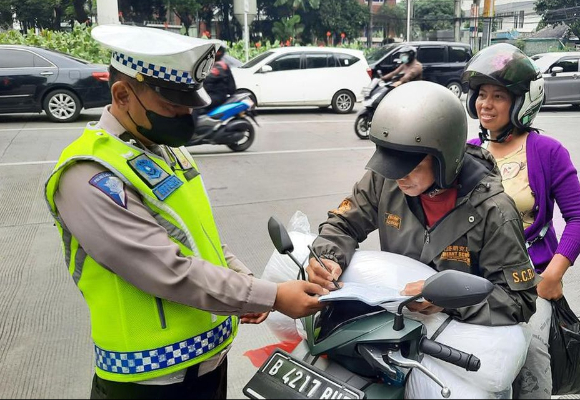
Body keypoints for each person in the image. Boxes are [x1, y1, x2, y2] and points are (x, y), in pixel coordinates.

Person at [44, 25, 326, 400]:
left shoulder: (165, 150)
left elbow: (199, 237)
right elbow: (166, 269)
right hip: (149, 380)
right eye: (171, 105)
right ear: (122, 94)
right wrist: (270, 295)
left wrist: (245, 280)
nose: (183, 116)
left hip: (207, 364)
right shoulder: (89, 173)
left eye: (187, 104)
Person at [307, 80, 538, 327]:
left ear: (445, 161)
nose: (398, 177)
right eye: (391, 164)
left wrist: (450, 301)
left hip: (460, 338)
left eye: (411, 167)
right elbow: (343, 223)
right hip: (396, 323)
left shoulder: (494, 211)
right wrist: (328, 258)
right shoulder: (386, 180)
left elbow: (519, 299)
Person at [462, 43, 580, 399]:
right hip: (475, 281)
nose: (486, 104)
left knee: (529, 356)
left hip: (530, 281)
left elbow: (577, 218)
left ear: (522, 102)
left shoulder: (547, 152)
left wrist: (553, 276)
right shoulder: (467, 151)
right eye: (481, 94)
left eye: (498, 95)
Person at [202, 45, 236, 112]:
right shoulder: (212, 65)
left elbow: (207, 78)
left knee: (196, 106)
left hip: (216, 97)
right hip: (213, 96)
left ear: (218, 53)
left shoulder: (220, 66)